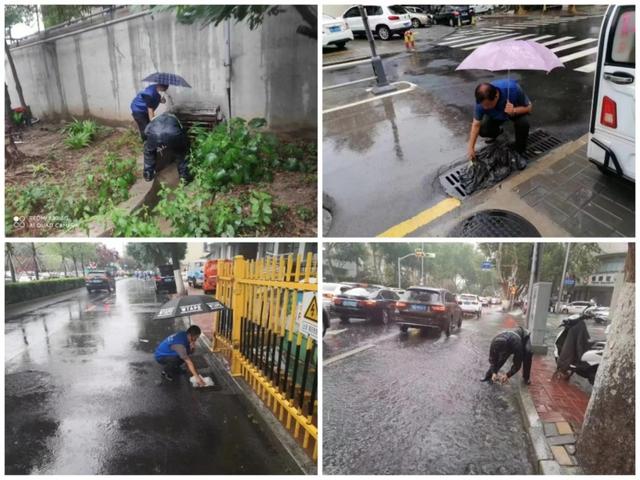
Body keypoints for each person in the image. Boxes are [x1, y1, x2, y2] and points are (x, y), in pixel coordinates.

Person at [467, 79, 533, 161]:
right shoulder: (481, 102)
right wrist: (471, 147)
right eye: (483, 105)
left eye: (488, 105)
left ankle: (519, 150)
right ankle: (498, 132)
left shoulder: (513, 89)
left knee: (524, 123)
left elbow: (529, 108)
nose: (485, 107)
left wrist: (514, 110)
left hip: (513, 111)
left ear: (496, 96)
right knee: (483, 129)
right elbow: (476, 124)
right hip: (495, 116)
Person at [143, 112, 191, 182]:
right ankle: (184, 177)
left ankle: (148, 174)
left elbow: (146, 132)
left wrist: (150, 142)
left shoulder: (154, 120)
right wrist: (185, 144)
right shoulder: (175, 118)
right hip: (173, 135)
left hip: (155, 135)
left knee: (149, 152)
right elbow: (182, 131)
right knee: (181, 153)